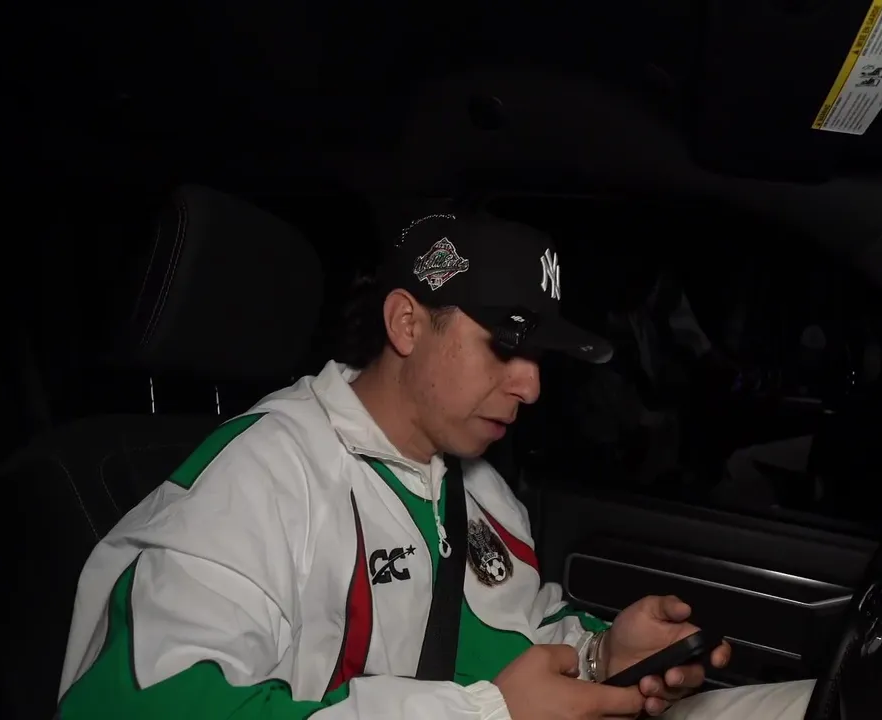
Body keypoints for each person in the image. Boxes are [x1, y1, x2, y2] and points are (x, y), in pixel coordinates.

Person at [56, 211, 813, 720]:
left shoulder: (480, 487)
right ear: (408, 323)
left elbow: (518, 627)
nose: (532, 386)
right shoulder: (264, 478)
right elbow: (130, 708)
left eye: (540, 357)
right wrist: (487, 715)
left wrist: (600, 653)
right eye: (505, 347)